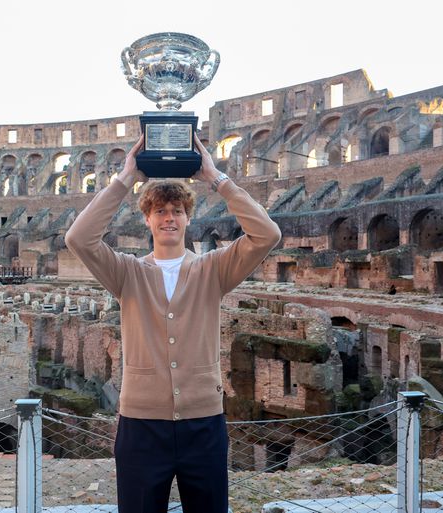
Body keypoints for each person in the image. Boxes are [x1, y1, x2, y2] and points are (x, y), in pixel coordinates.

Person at [64, 134, 281, 513]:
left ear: (188, 218)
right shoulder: (127, 272)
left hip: (204, 423)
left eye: (177, 210)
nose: (169, 217)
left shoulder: (212, 268)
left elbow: (267, 235)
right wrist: (125, 178)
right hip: (141, 426)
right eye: (160, 211)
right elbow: (79, 238)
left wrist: (215, 178)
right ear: (147, 219)